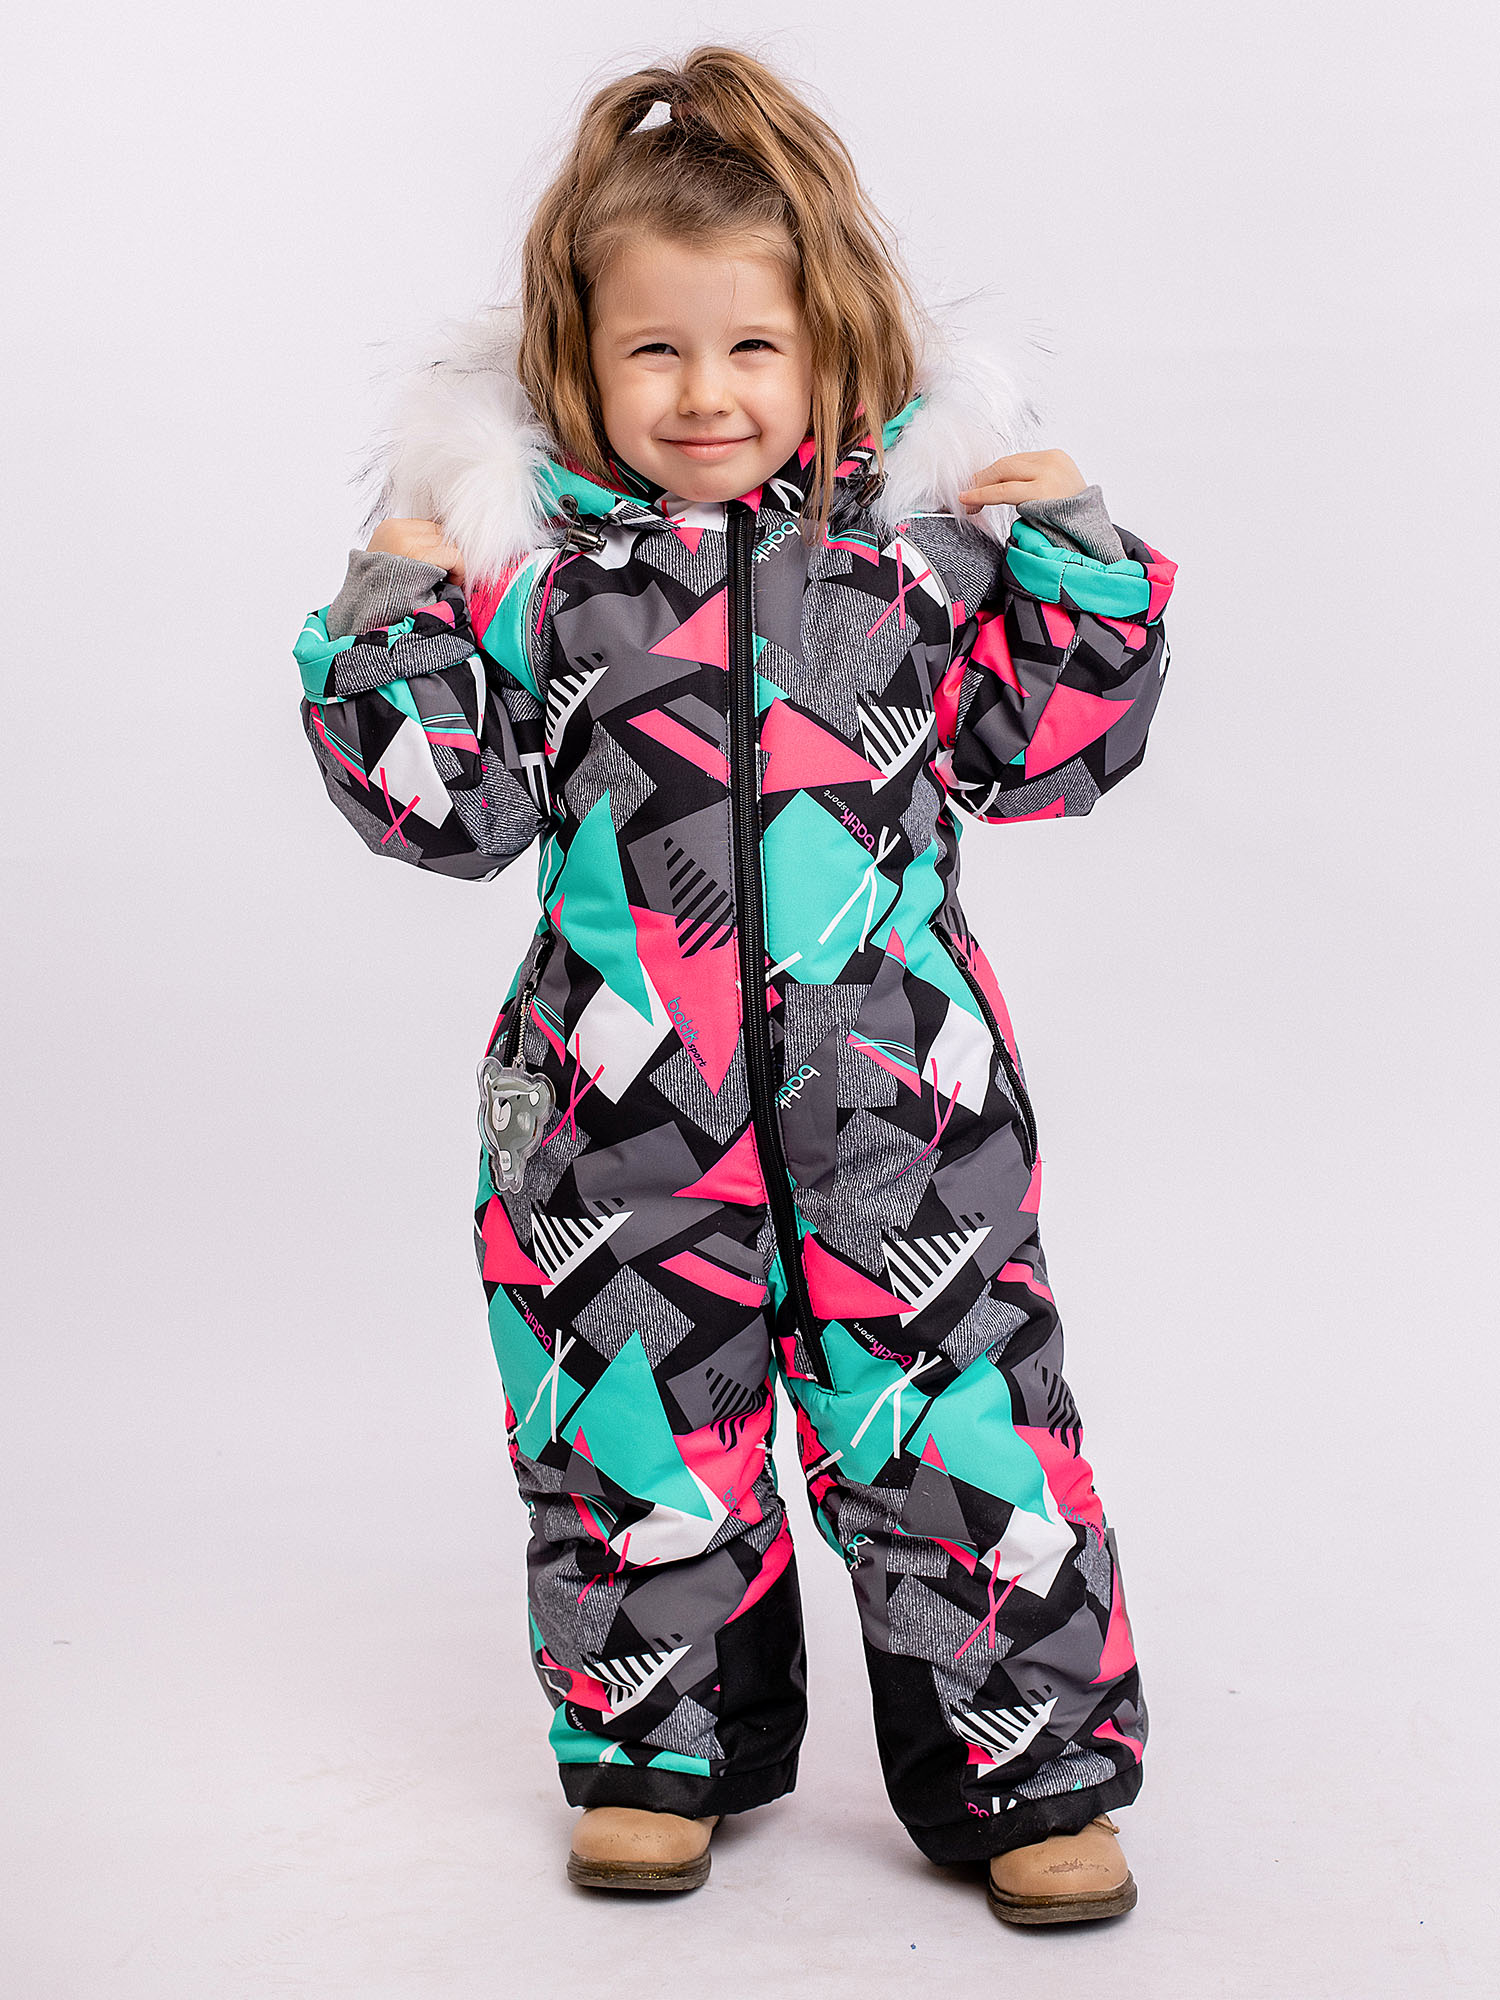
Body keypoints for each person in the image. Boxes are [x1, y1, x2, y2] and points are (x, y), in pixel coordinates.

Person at [293, 43, 1176, 1927]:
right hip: (612, 1118)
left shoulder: (914, 560)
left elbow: (1049, 759)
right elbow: (449, 818)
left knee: (960, 1426)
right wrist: (391, 621)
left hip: (904, 1111)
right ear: (578, 359)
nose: (706, 394)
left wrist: (1081, 573)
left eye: (751, 347)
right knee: (631, 1427)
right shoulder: (535, 580)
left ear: (831, 341)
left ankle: (1027, 1773)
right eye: (657, 350)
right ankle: (657, 1752)